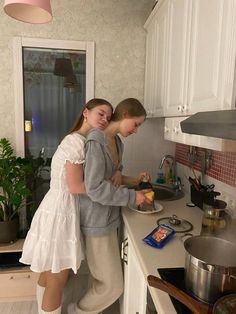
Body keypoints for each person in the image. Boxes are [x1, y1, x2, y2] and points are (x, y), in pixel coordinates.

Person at [19, 98, 114, 314]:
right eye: (101, 113)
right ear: (85, 112)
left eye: (108, 117)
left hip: (57, 208)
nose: (105, 119)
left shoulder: (77, 139)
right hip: (61, 210)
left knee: (48, 273)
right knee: (57, 279)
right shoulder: (76, 142)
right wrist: (104, 187)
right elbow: (75, 187)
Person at [69, 98, 151, 314]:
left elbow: (111, 180)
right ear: (125, 115)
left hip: (109, 218)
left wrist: (133, 180)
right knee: (113, 286)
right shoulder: (96, 140)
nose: (136, 130)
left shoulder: (118, 142)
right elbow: (95, 188)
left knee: (100, 281)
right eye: (136, 124)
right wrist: (133, 198)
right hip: (96, 221)